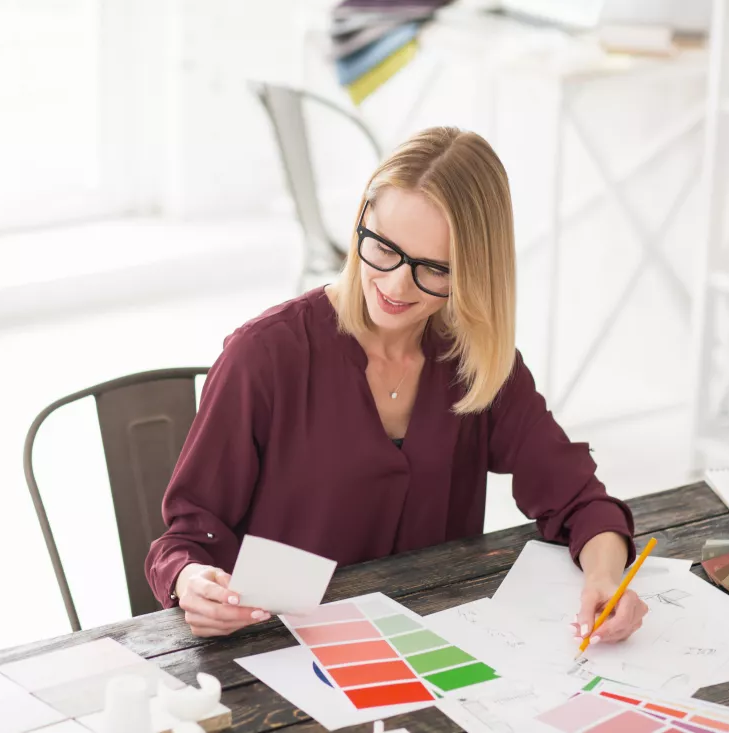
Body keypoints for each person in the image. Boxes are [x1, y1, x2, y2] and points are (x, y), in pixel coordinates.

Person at [145, 126, 647, 644]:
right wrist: (191, 582)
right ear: (361, 220)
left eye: (434, 269)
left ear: (474, 271)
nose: (396, 285)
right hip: (279, 650)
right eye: (383, 248)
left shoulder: (477, 361)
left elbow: (581, 500)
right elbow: (186, 539)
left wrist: (607, 578)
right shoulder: (263, 355)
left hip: (432, 646)